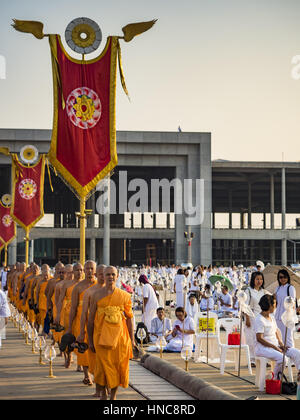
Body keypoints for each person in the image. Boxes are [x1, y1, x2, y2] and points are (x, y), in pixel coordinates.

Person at [87, 266, 136, 400]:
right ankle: (103, 394)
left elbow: (130, 319)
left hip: (119, 339)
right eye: (107, 274)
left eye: (113, 274)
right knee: (102, 367)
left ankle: (113, 396)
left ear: (117, 276)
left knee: (117, 366)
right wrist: (90, 340)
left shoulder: (124, 296)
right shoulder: (96, 295)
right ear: (102, 276)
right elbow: (90, 320)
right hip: (100, 338)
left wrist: (132, 340)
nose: (110, 277)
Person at [76, 264, 106, 398]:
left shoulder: (114, 291)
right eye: (101, 274)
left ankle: (107, 388)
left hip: (109, 330)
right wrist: (82, 331)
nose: (103, 277)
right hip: (93, 327)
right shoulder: (89, 291)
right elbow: (84, 314)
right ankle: (98, 386)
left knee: (107, 361)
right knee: (94, 359)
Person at [254, 294, 300, 379]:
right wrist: (275, 347)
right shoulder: (259, 319)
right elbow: (259, 338)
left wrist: (281, 344)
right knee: (283, 359)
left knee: (297, 353)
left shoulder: (271, 317)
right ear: (269, 305)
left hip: (275, 346)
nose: (276, 306)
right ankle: (275, 378)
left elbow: (276, 332)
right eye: (274, 304)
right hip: (262, 348)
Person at [67, 261, 97, 385]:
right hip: (81, 319)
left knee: (95, 347)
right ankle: (86, 375)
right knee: (83, 347)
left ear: (95, 270)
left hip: (97, 319)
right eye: (87, 268)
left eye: (91, 268)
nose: (89, 271)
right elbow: (73, 307)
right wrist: (69, 326)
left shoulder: (100, 285)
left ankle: (97, 375)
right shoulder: (78, 287)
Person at [244, 271, 270, 367]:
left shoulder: (264, 291)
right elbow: (245, 306)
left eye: (261, 279)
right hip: (251, 317)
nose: (259, 281)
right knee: (251, 339)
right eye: (257, 279)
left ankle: (264, 359)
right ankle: (252, 359)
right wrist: (247, 318)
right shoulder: (249, 291)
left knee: (263, 339)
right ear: (253, 280)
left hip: (262, 318)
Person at [275, 269, 297, 348]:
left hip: (287, 315)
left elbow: (292, 302)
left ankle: (291, 358)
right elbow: (276, 303)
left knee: (288, 337)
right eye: (281, 277)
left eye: (285, 277)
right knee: (279, 337)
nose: (283, 279)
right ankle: (283, 357)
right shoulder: (277, 288)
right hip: (278, 315)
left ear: (287, 277)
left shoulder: (290, 288)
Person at [35, 264, 51, 335]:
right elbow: (37, 293)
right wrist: (37, 302)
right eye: (44, 275)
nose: (46, 277)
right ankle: (44, 331)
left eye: (47, 275)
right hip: (42, 303)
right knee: (43, 318)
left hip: (49, 303)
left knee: (49, 318)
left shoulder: (52, 281)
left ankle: (47, 331)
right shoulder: (40, 282)